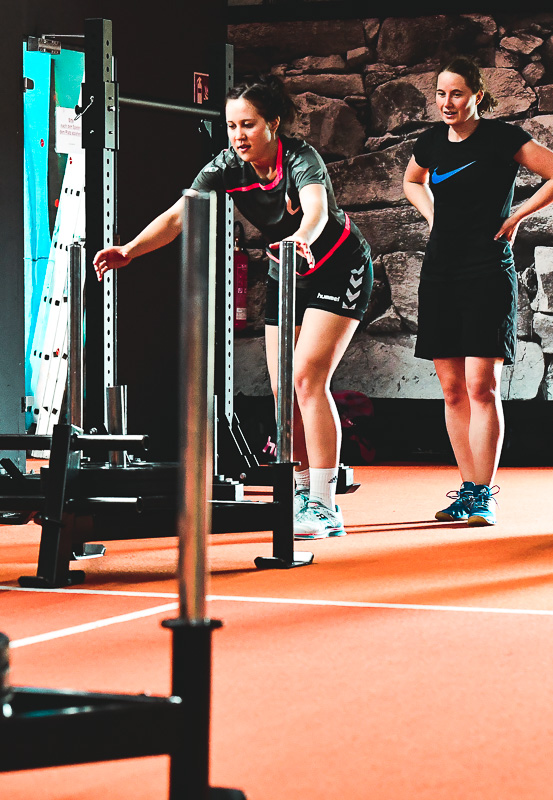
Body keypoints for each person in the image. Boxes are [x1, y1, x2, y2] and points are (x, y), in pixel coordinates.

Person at [93, 76, 373, 540]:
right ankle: (303, 491)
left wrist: (301, 238)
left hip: (336, 266)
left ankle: (325, 505)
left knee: (306, 379)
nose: (238, 135)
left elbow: (317, 210)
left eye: (248, 125)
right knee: (285, 390)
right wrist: (131, 250)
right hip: (287, 270)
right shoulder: (226, 166)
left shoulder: (301, 158)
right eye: (231, 126)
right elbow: (180, 213)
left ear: (273, 124)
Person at [403, 56, 553, 526]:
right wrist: (433, 214)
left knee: (482, 386)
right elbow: (411, 180)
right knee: (451, 388)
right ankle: (466, 488)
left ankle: (483, 492)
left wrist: (517, 215)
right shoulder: (431, 142)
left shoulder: (502, 138)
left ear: (478, 95)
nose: (447, 103)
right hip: (441, 271)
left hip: (487, 269)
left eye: (456, 93)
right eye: (440, 94)